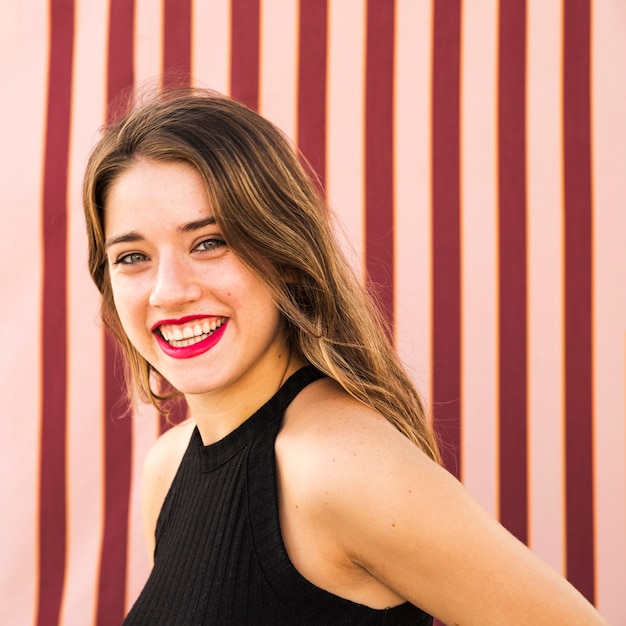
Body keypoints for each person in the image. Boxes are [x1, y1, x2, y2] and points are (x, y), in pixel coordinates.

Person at [82, 88, 607, 625]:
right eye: (132, 257)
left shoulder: (337, 465)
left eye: (209, 242)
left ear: (285, 254)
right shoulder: (169, 467)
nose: (169, 291)